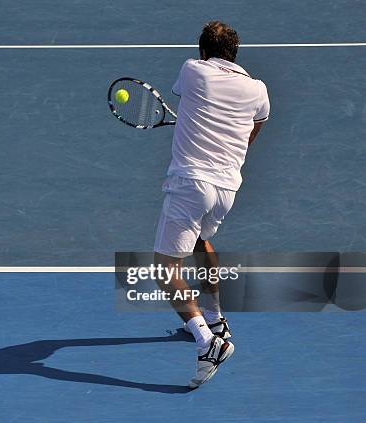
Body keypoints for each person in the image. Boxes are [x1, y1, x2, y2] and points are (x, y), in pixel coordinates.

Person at [153, 21, 270, 388]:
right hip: (227, 189)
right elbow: (253, 129)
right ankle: (216, 317)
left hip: (191, 183)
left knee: (164, 267)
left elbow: (192, 102)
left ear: (203, 51)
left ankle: (208, 341)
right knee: (202, 243)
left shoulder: (192, 70)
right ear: (235, 54)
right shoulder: (257, 89)